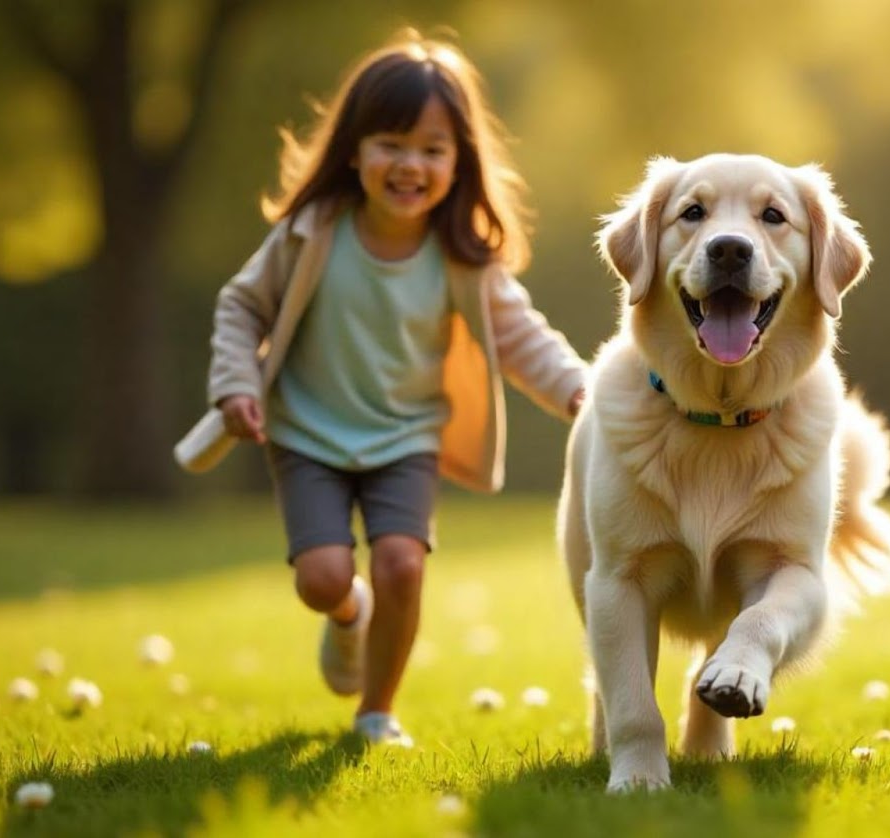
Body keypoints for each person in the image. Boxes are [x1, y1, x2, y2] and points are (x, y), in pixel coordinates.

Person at [175, 30, 588, 747]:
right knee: (323, 578)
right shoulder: (313, 233)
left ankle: (376, 711)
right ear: (355, 149)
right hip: (307, 434)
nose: (410, 165)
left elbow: (525, 340)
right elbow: (243, 307)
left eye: (433, 149)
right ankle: (345, 615)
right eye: (391, 143)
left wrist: (583, 393)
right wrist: (236, 384)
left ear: (459, 163)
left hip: (405, 438)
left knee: (402, 564)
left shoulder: (463, 259)